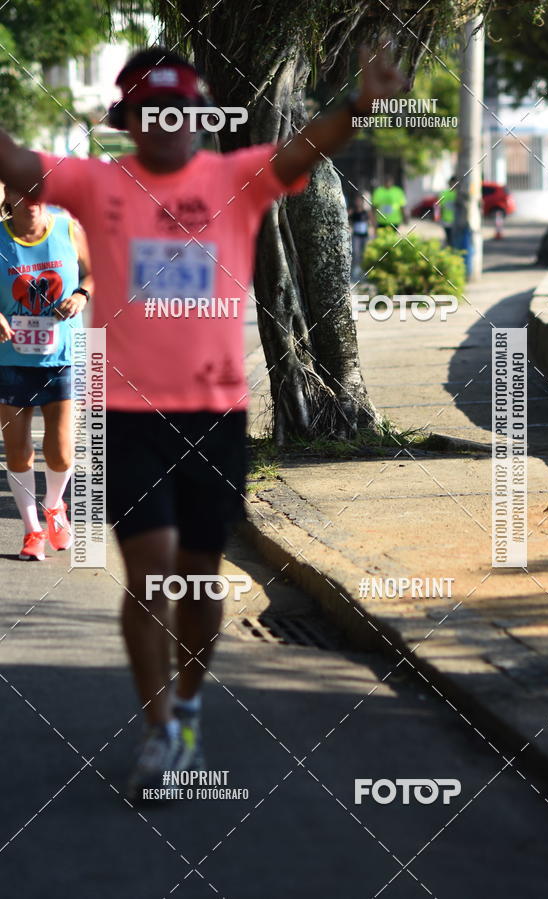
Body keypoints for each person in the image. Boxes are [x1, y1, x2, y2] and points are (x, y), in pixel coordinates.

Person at [0, 46, 405, 800]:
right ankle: (162, 730)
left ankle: (187, 701)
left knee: (198, 580)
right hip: (130, 415)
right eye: (154, 111)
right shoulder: (100, 183)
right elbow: (21, 163)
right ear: (130, 122)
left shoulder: (232, 178)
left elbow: (302, 149)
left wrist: (359, 102)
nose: (171, 123)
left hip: (213, 417)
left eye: (183, 108)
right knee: (149, 574)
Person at [0, 187, 92, 561]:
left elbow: (95, 270)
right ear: (10, 197)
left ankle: (54, 507)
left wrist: (83, 294)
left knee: (60, 454)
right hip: (10, 359)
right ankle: (32, 530)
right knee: (19, 452)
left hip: (63, 356)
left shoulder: (68, 228)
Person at [348, 194, 373, 280]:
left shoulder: (366, 212)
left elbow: (371, 221)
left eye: (359, 201)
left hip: (365, 236)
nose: (358, 202)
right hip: (356, 236)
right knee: (356, 252)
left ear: (362, 202)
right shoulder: (353, 211)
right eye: (356, 201)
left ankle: (363, 269)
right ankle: (356, 268)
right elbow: (347, 220)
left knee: (364, 252)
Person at [437, 176, 457, 245]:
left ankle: (450, 251)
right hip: (449, 221)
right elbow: (440, 207)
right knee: (452, 239)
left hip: (453, 221)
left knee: (451, 239)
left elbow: (440, 207)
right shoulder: (458, 194)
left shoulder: (444, 193)